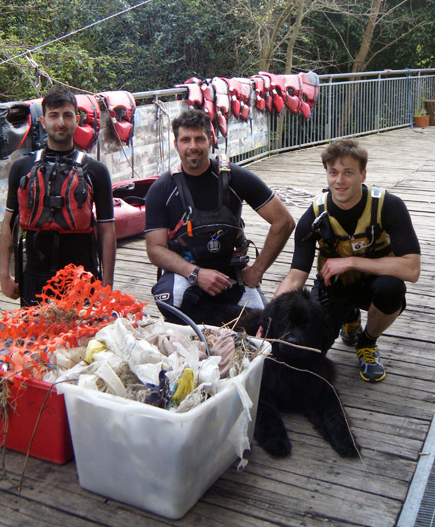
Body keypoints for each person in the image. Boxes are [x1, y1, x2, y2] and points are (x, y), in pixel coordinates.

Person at [274, 138, 421, 382]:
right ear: (327, 174)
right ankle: (348, 316)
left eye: (348, 172)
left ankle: (367, 342)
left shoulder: (389, 206)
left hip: (375, 285)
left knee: (392, 288)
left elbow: (412, 268)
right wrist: (269, 317)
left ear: (363, 174)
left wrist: (351, 261)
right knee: (311, 353)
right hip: (334, 288)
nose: (339, 180)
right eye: (333, 172)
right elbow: (295, 276)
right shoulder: (313, 214)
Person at [145, 109, 294, 326]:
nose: (193, 146)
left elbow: (284, 221)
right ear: (176, 144)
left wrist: (258, 270)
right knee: (167, 298)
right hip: (186, 272)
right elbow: (155, 249)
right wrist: (196, 274)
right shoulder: (161, 189)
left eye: (199, 139)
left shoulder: (235, 177)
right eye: (185, 140)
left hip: (231, 272)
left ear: (211, 141)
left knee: (261, 322)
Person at [0, 87, 116, 306]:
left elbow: (107, 229)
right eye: (54, 115)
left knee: (83, 340)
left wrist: (107, 285)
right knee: (35, 338)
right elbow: (9, 224)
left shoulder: (96, 171)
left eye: (67, 115)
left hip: (82, 277)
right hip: (35, 277)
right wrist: (4, 275)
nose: (60, 122)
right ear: (43, 121)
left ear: (77, 120)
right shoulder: (21, 168)